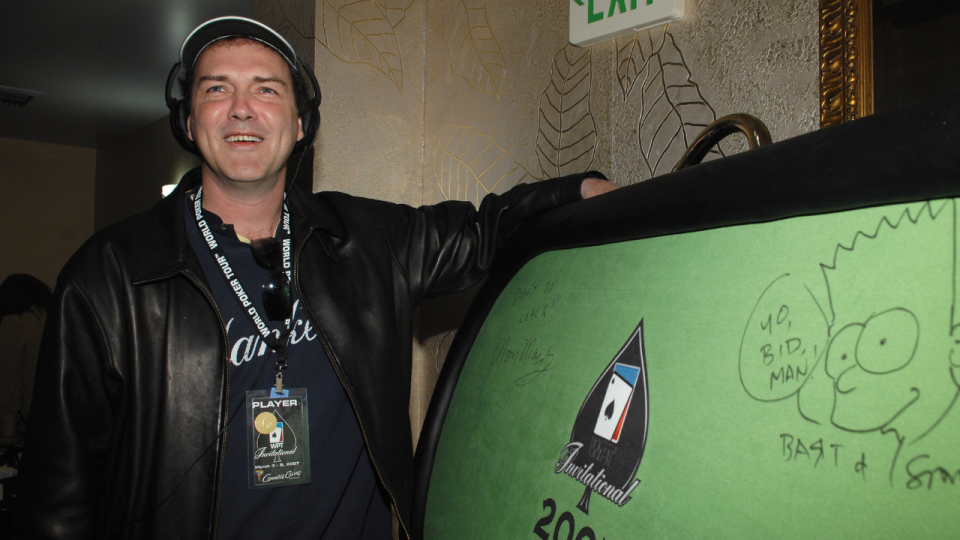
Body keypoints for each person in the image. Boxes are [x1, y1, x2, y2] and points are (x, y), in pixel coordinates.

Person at [15, 16, 618, 540]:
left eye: (266, 89)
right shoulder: (109, 277)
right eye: (217, 88)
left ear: (301, 124)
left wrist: (580, 191)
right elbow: (58, 498)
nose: (242, 108)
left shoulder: (366, 241)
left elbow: (486, 230)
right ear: (190, 122)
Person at [0, 274, 51, 447]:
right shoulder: (50, 315)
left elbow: (8, 380)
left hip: (38, 417)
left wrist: (8, 435)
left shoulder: (16, 322)